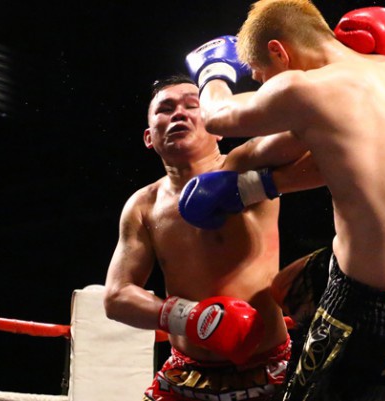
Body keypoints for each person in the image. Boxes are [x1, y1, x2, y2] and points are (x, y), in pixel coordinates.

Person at [179, 1, 385, 400]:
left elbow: (217, 115)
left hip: (373, 308)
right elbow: (308, 153)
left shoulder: (303, 89)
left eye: (262, 76)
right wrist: (246, 185)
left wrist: (213, 69)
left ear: (279, 51)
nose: (265, 86)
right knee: (286, 287)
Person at [103, 75, 299, 401]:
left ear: (217, 125)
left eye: (192, 105)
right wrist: (190, 317)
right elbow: (116, 297)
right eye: (166, 109)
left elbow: (313, 133)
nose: (179, 113)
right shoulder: (143, 205)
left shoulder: (248, 164)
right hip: (184, 374)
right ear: (149, 137)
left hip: (267, 369)